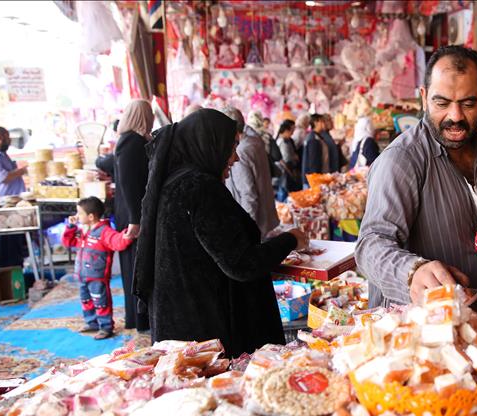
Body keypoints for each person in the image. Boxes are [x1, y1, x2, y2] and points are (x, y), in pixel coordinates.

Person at [355, 45, 477, 332]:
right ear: (424, 97)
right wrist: (412, 272)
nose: (455, 116)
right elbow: (371, 245)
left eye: (468, 104)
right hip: (422, 335)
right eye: (442, 103)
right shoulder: (401, 161)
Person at [133, 109, 309, 356]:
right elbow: (240, 264)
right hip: (207, 330)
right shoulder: (200, 188)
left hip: (183, 323)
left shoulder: (175, 183)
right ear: (209, 143)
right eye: (231, 147)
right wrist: (289, 239)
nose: (235, 158)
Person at [62, 197, 134, 340]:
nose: (76, 216)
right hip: (82, 275)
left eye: (79, 213)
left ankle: (106, 327)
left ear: (90, 216)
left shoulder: (104, 231)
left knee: (101, 302)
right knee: (86, 300)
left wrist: (127, 236)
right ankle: (92, 322)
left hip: (98, 276)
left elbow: (116, 242)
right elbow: (68, 242)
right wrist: (70, 227)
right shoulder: (84, 231)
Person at [114, 99, 154, 332]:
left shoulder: (137, 140)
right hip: (133, 216)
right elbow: (130, 184)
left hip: (136, 213)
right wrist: (135, 220)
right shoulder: (130, 143)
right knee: (135, 268)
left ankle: (142, 317)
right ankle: (139, 319)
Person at [221, 106, 280, 237]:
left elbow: (248, 196)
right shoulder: (255, 141)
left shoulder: (241, 151)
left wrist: (246, 232)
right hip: (266, 221)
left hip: (256, 226)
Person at [0, 126, 28, 269]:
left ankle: (16, 268)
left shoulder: (2, 154)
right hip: (3, 206)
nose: (9, 141)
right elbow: (3, 178)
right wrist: (23, 170)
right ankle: (6, 273)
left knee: (15, 243)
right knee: (4, 245)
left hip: (14, 204)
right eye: (7, 138)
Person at [276, 119, 302, 200]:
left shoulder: (287, 140)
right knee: (285, 193)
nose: (293, 133)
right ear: (286, 130)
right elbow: (285, 159)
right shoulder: (282, 142)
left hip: (287, 171)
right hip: (285, 171)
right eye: (291, 130)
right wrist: (291, 172)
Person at [301, 114, 330, 183]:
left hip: (319, 177)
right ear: (315, 123)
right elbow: (313, 162)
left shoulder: (318, 137)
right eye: (322, 121)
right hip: (314, 179)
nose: (324, 123)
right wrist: (316, 180)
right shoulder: (313, 139)